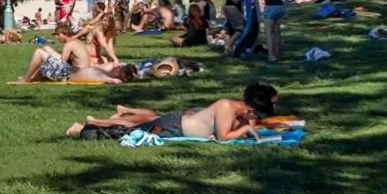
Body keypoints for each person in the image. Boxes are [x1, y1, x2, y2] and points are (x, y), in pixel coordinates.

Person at [66, 81, 278, 141]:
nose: (254, 119)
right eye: (255, 114)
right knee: (129, 131)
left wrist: (248, 126)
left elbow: (243, 127)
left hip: (177, 124)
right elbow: (224, 138)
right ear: (250, 108)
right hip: (173, 127)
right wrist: (244, 130)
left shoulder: (238, 110)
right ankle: (83, 128)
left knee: (134, 126)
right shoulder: (226, 107)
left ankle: (91, 123)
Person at [15, 39, 135, 85]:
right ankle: (33, 77)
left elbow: (116, 81)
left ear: (118, 73)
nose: (116, 66)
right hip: (69, 70)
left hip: (65, 74)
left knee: (38, 52)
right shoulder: (107, 71)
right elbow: (121, 65)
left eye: (118, 68)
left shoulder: (106, 77)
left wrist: (121, 78)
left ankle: (25, 80)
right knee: (46, 49)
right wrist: (132, 72)